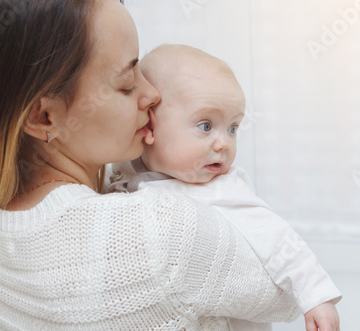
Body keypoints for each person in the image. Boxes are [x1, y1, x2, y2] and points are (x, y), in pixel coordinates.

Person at [0, 0, 305, 330]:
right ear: (45, 117)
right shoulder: (160, 229)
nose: (153, 94)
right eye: (128, 83)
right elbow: (289, 294)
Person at [107, 44, 342, 331]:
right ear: (150, 125)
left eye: (232, 128)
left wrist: (316, 297)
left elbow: (278, 238)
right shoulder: (125, 171)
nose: (224, 143)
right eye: (206, 126)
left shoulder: (223, 187)